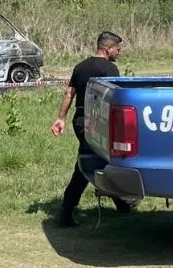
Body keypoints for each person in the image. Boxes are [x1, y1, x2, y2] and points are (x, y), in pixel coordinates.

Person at [51, 31, 136, 227]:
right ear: (108, 48)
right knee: (86, 165)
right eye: (117, 48)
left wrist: (61, 118)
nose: (119, 52)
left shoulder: (80, 67)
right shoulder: (110, 69)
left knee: (101, 161)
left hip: (80, 119)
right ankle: (65, 210)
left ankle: (123, 203)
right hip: (98, 121)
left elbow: (69, 93)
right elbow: (114, 98)